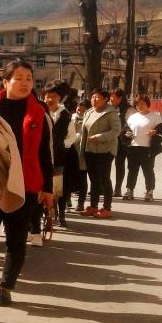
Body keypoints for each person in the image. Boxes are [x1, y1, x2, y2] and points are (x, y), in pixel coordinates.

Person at [0, 59, 54, 307]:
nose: (25, 83)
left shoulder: (39, 112)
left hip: (25, 185)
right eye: (18, 78)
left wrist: (48, 189)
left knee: (16, 239)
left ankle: (5, 287)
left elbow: (46, 153)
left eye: (29, 78)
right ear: (5, 82)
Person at [78, 88, 120, 218]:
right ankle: (93, 206)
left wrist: (99, 137)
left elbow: (116, 131)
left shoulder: (111, 113)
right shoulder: (89, 112)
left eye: (97, 97)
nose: (94, 100)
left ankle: (107, 208)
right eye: (92, 97)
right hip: (89, 150)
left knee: (104, 179)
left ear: (105, 99)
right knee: (93, 179)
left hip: (105, 151)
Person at [42, 80, 77, 228]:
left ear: (61, 98)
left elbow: (72, 136)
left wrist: (62, 145)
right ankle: (47, 216)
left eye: (54, 96)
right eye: (47, 95)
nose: (49, 99)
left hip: (59, 159)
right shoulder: (41, 112)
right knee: (44, 188)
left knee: (59, 189)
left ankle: (61, 214)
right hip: (43, 157)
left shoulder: (66, 116)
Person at [123, 93, 162, 201]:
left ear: (147, 104)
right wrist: (127, 133)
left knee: (148, 171)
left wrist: (155, 131)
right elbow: (126, 129)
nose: (140, 106)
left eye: (142, 103)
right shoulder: (132, 117)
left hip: (147, 148)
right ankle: (129, 190)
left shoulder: (155, 117)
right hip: (133, 147)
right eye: (137, 104)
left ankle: (149, 192)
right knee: (132, 170)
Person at [110, 87, 134, 193]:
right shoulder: (111, 109)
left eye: (112, 97)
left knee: (129, 165)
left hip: (127, 141)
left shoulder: (130, 110)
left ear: (120, 98)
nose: (110, 99)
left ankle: (124, 188)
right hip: (115, 141)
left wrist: (127, 132)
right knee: (118, 164)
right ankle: (113, 188)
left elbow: (132, 125)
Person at [72, 99, 91, 211]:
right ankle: (67, 201)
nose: (80, 112)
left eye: (83, 110)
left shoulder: (89, 119)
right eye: (78, 109)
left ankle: (81, 203)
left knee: (83, 178)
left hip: (83, 153)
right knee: (68, 178)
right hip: (71, 152)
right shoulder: (71, 117)